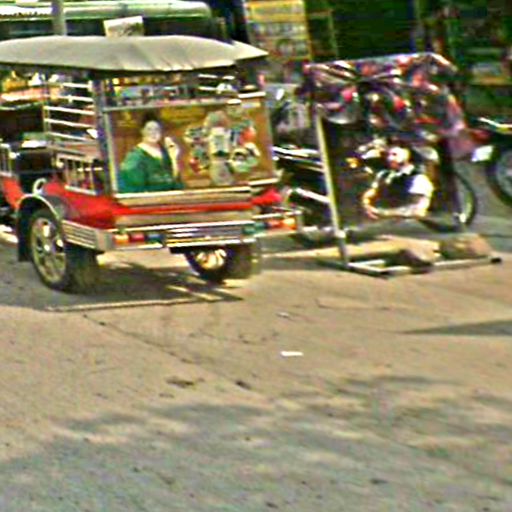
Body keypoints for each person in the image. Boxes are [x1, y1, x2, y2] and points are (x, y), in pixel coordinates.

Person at [362, 145, 434, 220]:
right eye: (388, 155)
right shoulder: (384, 175)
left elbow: (417, 211)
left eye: (395, 154)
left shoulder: (418, 178)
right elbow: (371, 193)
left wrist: (383, 213)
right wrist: (366, 204)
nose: (390, 158)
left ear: (406, 154)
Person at [118, 115, 183, 193]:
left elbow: (174, 181)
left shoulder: (165, 153)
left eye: (157, 129)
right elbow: (132, 187)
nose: (153, 133)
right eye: (149, 129)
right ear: (142, 131)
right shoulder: (135, 156)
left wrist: (173, 158)